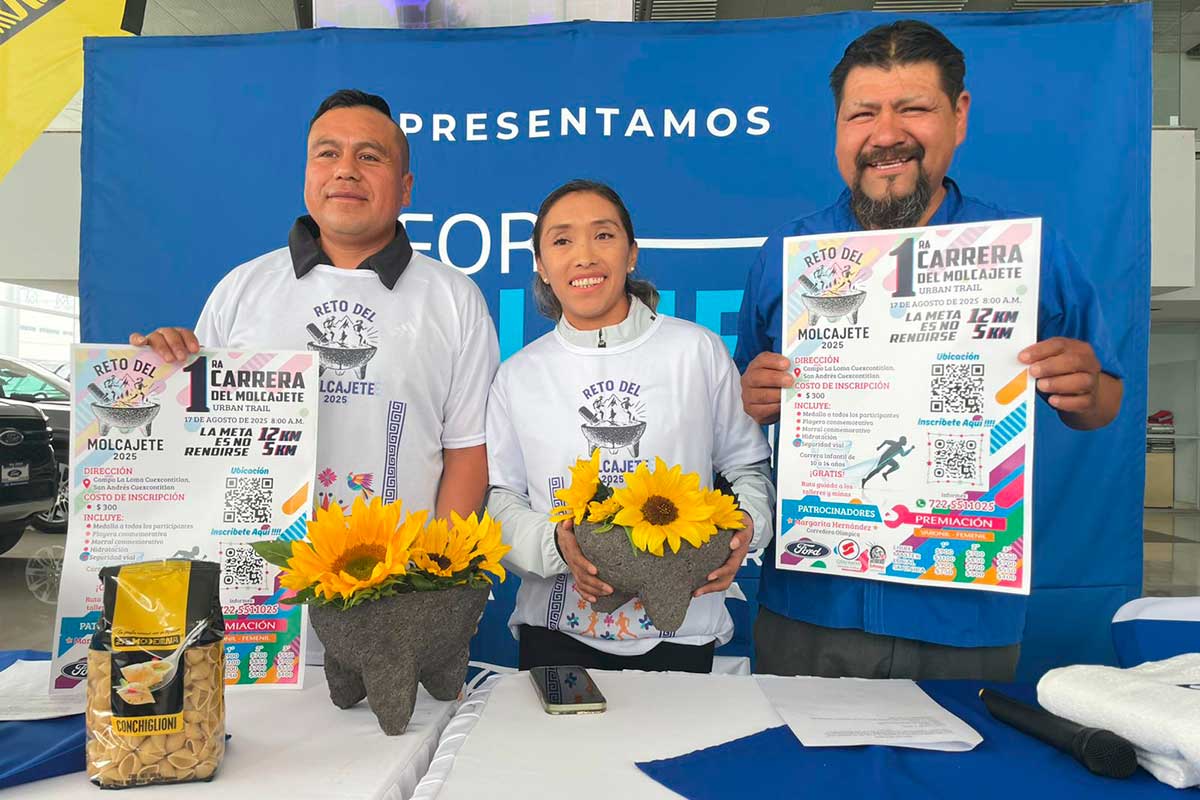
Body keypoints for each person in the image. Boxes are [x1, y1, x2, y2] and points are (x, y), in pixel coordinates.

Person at [736, 21, 1124, 681]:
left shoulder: (1021, 252)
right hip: (812, 603)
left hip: (963, 607)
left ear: (959, 115)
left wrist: (1085, 388)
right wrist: (754, 396)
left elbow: (1103, 401)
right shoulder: (788, 256)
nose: (886, 135)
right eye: (863, 114)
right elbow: (743, 410)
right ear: (838, 126)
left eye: (912, 108)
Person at [130, 88, 498, 526]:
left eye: (369, 157)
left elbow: (468, 448)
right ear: (307, 174)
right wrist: (161, 373)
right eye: (327, 153)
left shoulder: (453, 298)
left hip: (401, 578)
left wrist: (435, 570)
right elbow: (192, 435)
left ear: (405, 189)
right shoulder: (243, 288)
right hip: (263, 578)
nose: (345, 170)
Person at [486, 179, 775, 672]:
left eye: (603, 235)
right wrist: (558, 545)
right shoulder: (518, 376)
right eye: (561, 240)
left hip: (681, 630)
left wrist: (747, 529)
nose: (584, 256)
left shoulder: (696, 352)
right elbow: (499, 500)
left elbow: (748, 469)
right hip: (556, 634)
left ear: (632, 253)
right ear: (540, 265)